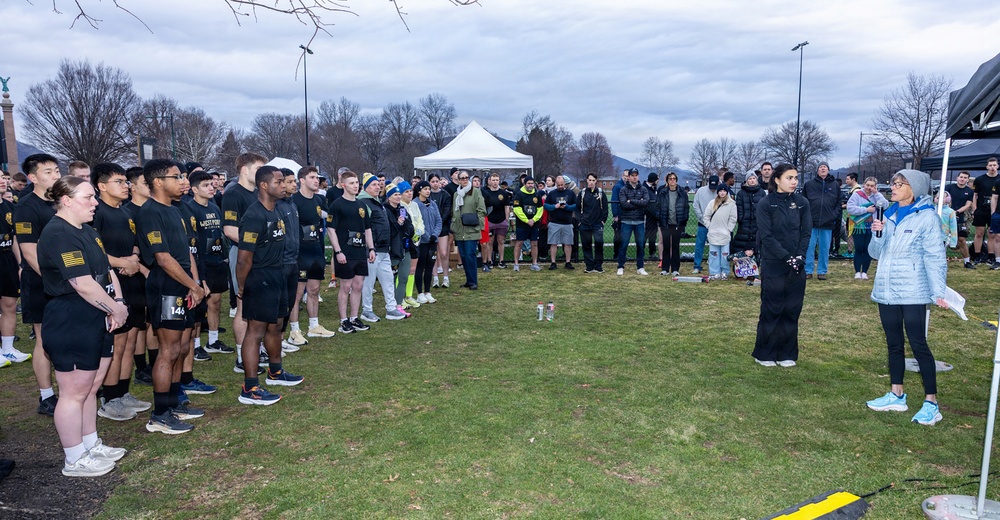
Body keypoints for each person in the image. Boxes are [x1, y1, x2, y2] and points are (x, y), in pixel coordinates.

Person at [37, 176, 129, 477]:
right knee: (73, 393)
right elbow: (82, 284)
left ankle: (90, 444)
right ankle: (74, 458)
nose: (95, 203)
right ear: (66, 200)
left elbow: (106, 270)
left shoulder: (87, 230)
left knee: (90, 388)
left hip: (98, 313)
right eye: (88, 198)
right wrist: (114, 308)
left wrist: (120, 304)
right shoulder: (58, 233)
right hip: (71, 316)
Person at [866, 169, 948, 426]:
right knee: (893, 343)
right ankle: (896, 394)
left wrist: (938, 291)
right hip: (886, 290)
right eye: (893, 183)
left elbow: (935, 256)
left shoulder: (926, 218)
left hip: (913, 290)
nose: (894, 187)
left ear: (915, 188)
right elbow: (875, 253)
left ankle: (931, 402)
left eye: (900, 184)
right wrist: (877, 233)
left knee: (918, 344)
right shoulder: (887, 214)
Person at [136, 159, 206, 434]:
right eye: (176, 177)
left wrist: (195, 283)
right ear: (158, 182)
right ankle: (160, 414)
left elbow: (185, 252)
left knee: (182, 346)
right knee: (168, 349)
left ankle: (174, 402)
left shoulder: (175, 209)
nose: (183, 182)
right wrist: (193, 285)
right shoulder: (150, 212)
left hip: (185, 285)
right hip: (167, 286)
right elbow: (163, 258)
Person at [235, 166, 304, 406]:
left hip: (278, 275)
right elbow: (244, 258)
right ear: (264, 185)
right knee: (255, 332)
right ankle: (250, 387)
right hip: (260, 278)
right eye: (279, 182)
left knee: (276, 325)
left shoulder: (275, 211)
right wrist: (242, 287)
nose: (284, 186)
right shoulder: (254, 216)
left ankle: (276, 372)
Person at [89, 163, 149, 422]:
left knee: (131, 340)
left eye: (126, 181)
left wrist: (134, 259)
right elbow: (94, 253)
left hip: (133, 280)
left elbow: (135, 242)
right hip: (112, 284)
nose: (125, 186)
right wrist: (123, 263)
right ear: (102, 186)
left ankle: (123, 392)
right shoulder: (97, 214)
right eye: (119, 181)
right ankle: (109, 398)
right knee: (116, 342)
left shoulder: (125, 212)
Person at [752, 164, 811, 367]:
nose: (794, 181)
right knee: (772, 308)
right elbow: (766, 236)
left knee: (792, 308)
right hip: (774, 263)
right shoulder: (765, 203)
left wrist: (800, 257)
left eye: (796, 177)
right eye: (789, 177)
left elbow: (806, 233)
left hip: (797, 264)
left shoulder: (802, 202)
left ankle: (787, 353)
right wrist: (786, 257)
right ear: (777, 179)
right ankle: (765, 354)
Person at [14, 154, 60, 415]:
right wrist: (54, 279)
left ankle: (68, 389)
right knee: (45, 339)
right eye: (48, 172)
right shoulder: (26, 206)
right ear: (32, 178)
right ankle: (46, 396)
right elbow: (29, 252)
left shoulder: (57, 202)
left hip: (63, 280)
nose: (54, 176)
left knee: (62, 337)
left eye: (56, 170)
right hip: (41, 282)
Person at [222, 152, 267, 373]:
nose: (263, 174)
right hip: (242, 255)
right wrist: (260, 241)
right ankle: (241, 357)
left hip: (260, 255)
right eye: (259, 169)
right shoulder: (233, 194)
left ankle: (255, 351)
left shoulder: (258, 194)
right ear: (244, 170)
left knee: (258, 305)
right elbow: (229, 230)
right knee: (242, 306)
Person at [186, 171, 234, 356]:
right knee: (199, 306)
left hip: (217, 260)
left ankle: (213, 341)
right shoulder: (190, 209)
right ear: (194, 189)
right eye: (206, 185)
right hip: (201, 262)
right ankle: (196, 344)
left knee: (215, 301)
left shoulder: (214, 208)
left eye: (212, 184)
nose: (211, 187)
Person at [287, 166, 337, 343]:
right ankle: (294, 331)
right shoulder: (293, 201)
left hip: (316, 250)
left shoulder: (319, 199)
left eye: (317, 178)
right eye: (312, 177)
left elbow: (328, 217)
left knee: (314, 290)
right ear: (302, 180)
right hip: (300, 253)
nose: (316, 180)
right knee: (297, 293)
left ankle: (314, 326)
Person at [327, 171, 375, 334]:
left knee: (358, 285)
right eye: (352, 183)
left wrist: (371, 248)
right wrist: (338, 251)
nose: (356, 185)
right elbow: (331, 230)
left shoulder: (362, 206)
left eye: (357, 182)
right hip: (345, 252)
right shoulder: (336, 205)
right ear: (343, 185)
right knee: (345, 286)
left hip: (360, 251)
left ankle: (354, 318)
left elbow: (367, 229)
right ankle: (343, 321)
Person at [358, 173, 407, 322]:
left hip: (384, 248)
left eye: (378, 185)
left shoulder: (377, 202)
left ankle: (391, 308)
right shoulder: (364, 203)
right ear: (366, 187)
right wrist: (369, 247)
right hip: (372, 249)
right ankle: (367, 310)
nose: (377, 187)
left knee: (388, 279)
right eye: (373, 185)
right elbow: (364, 227)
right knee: (369, 281)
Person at [0, 174, 25, 368]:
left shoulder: (10, 207)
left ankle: (8, 348)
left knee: (9, 305)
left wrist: (19, 264)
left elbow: (15, 238)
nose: (3, 181)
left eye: (3, 177)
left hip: (7, 258)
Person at [801, 162, 840, 280]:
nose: (823, 168)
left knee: (825, 248)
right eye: (820, 167)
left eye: (825, 167)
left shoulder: (835, 185)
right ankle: (808, 270)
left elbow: (838, 202)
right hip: (811, 222)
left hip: (827, 223)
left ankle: (822, 271)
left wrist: (834, 215)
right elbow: (803, 201)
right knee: (809, 247)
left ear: (828, 170)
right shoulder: (809, 185)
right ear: (817, 170)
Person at [451, 169, 487, 289]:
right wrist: (454, 224)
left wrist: (476, 221)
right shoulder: (456, 194)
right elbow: (454, 211)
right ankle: (468, 279)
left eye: (467, 178)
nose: (465, 180)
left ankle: (473, 281)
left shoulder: (476, 192)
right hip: (459, 229)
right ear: (459, 180)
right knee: (464, 255)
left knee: (470, 254)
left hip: (472, 228)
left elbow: (482, 210)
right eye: (462, 178)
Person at [846, 177, 888, 280]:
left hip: (872, 226)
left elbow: (885, 205)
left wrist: (877, 194)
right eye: (868, 185)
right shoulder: (857, 195)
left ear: (875, 186)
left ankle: (864, 272)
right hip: (859, 226)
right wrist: (866, 209)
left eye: (872, 186)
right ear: (864, 184)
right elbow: (850, 208)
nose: (869, 187)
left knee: (868, 250)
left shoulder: (877, 196)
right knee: (859, 248)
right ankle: (857, 272)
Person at [616, 168, 650, 276]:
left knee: (640, 246)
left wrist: (631, 201)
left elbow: (646, 202)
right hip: (626, 221)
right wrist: (638, 202)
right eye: (632, 175)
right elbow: (623, 204)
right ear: (629, 177)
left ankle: (640, 267)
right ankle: (620, 266)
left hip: (639, 221)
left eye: (636, 175)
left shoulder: (644, 189)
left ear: (638, 176)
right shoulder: (623, 189)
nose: (634, 177)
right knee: (623, 245)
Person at [413, 181, 442, 304]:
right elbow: (416, 223)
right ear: (419, 190)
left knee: (430, 266)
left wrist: (434, 235)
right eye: (425, 189)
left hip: (432, 240)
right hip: (421, 242)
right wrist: (426, 235)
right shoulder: (415, 204)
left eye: (428, 189)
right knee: (420, 266)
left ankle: (427, 292)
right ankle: (419, 293)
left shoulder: (433, 204)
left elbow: (438, 221)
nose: (428, 191)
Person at [655, 172, 689, 276]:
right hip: (665, 223)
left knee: (675, 247)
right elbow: (658, 207)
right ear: (667, 181)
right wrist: (660, 219)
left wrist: (683, 220)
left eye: (674, 178)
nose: (672, 180)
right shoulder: (663, 192)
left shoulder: (682, 193)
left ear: (676, 180)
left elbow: (686, 208)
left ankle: (675, 269)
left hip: (677, 224)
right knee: (666, 247)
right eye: (670, 179)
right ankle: (665, 268)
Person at [704, 183, 737, 281]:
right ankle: (714, 272)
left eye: (724, 191)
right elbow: (706, 216)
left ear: (727, 192)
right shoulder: (712, 203)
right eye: (720, 191)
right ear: (718, 192)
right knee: (714, 254)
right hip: (713, 233)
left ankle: (724, 272)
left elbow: (733, 218)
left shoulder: (731, 204)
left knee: (725, 255)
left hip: (725, 234)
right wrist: (710, 227)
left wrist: (728, 229)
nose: (722, 193)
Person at [543, 175, 577, 270]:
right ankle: (553, 262)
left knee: (568, 243)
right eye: (558, 185)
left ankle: (568, 262)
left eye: (562, 185)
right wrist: (554, 206)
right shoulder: (552, 194)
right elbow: (545, 206)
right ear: (555, 184)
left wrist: (567, 207)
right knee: (553, 243)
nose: (560, 186)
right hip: (554, 222)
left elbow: (576, 205)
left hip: (567, 222)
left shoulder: (570, 193)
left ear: (565, 184)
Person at [511, 178, 545, 272]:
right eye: (528, 183)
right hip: (522, 224)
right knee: (519, 243)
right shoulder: (519, 195)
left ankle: (534, 264)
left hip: (533, 224)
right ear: (524, 184)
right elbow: (517, 209)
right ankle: (516, 264)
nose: (530, 185)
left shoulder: (536, 195)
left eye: (532, 183)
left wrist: (533, 220)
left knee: (534, 243)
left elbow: (540, 209)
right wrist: (526, 220)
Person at [578, 173, 609, 273]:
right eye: (589, 180)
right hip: (585, 224)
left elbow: (605, 208)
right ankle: (589, 266)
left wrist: (603, 221)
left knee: (599, 244)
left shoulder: (600, 193)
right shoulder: (582, 193)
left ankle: (598, 266)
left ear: (596, 181)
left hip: (597, 224)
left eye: (593, 180)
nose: (591, 182)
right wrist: (579, 221)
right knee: (586, 245)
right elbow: (577, 208)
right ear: (587, 180)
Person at [732, 172, 765, 264]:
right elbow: (739, 207)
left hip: (757, 223)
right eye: (750, 179)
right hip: (744, 224)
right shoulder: (741, 193)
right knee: (742, 244)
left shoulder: (761, 192)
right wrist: (741, 219)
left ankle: (756, 264)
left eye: (753, 178)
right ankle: (741, 264)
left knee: (756, 244)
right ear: (746, 181)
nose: (752, 180)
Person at [944, 170, 975, 268]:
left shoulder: (970, 191)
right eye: (961, 177)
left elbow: (968, 204)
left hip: (959, 217)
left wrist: (956, 212)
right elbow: (941, 200)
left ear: (967, 180)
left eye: (965, 178)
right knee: (942, 239)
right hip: (945, 217)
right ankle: (940, 261)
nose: (963, 179)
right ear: (957, 178)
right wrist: (950, 212)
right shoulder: (948, 188)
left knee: (961, 240)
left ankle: (967, 262)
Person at [972, 158, 999, 264]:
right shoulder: (979, 179)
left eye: (994, 165)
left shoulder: (999, 180)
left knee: (992, 234)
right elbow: (974, 195)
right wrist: (975, 210)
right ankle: (977, 256)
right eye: (990, 165)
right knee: (979, 233)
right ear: (987, 166)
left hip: (995, 210)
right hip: (981, 209)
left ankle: (991, 256)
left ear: (997, 166)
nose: (992, 167)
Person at [481, 173, 511, 269]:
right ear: (489, 181)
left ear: (499, 181)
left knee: (501, 241)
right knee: (489, 241)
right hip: (490, 221)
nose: (495, 182)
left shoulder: (504, 193)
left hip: (501, 221)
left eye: (496, 180)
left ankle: (501, 261)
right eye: (493, 180)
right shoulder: (486, 193)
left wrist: (506, 219)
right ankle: (490, 261)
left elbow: (507, 207)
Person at [429, 173, 453, 288]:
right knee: (433, 253)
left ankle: (446, 277)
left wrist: (439, 223)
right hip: (430, 228)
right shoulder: (426, 195)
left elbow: (447, 211)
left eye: (436, 181)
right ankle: (435, 278)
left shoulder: (446, 195)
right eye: (432, 181)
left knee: (443, 253)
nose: (435, 183)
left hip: (442, 227)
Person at [691, 175, 719, 274]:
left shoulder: (721, 192)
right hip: (702, 224)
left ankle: (714, 266)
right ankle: (697, 266)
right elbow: (695, 205)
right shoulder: (701, 191)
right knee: (699, 245)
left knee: (715, 246)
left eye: (714, 188)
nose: (713, 190)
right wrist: (702, 218)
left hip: (716, 224)